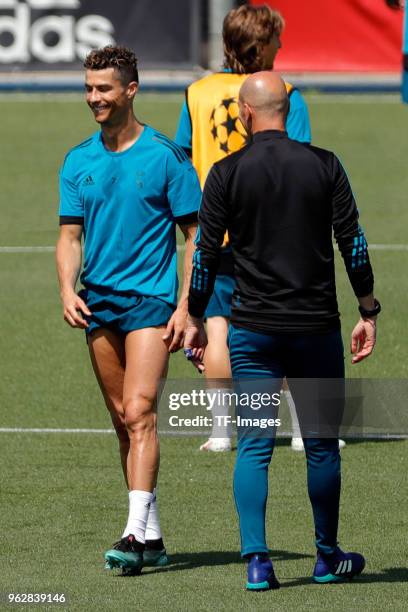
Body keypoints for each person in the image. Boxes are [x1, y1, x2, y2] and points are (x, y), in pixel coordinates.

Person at [184, 72, 380, 591]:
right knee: (320, 446)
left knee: (253, 447)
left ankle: (257, 562)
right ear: (288, 111)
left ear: (246, 114)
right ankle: (325, 556)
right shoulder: (325, 165)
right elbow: (353, 244)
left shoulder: (225, 172)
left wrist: (197, 317)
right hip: (316, 331)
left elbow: (205, 256)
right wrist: (368, 309)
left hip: (251, 334)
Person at [56, 46, 201, 575]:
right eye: (89, 88)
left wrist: (188, 306)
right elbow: (69, 236)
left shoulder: (166, 156)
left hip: (152, 302)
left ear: (131, 90)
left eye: (104, 89)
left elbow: (197, 236)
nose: (94, 97)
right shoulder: (78, 160)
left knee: (140, 411)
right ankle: (156, 539)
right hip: (100, 304)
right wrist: (67, 288)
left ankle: (133, 535)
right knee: (124, 422)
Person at [176, 4, 327, 453]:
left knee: (218, 328)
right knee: (292, 327)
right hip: (272, 233)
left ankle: (223, 431)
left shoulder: (197, 92)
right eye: (277, 39)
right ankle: (304, 431)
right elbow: (300, 160)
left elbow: (184, 159)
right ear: (261, 45)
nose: (282, 46)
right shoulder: (284, 93)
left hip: (215, 228)